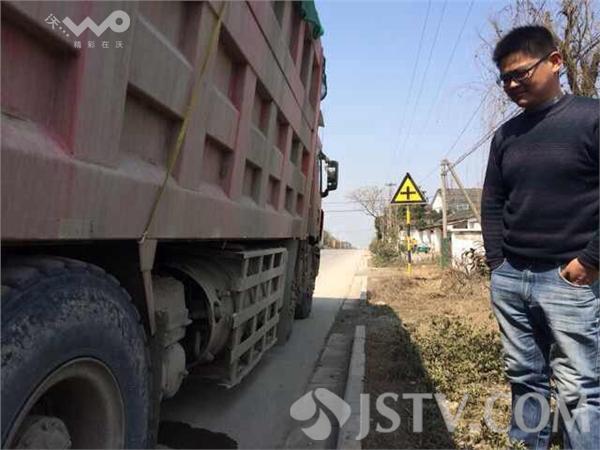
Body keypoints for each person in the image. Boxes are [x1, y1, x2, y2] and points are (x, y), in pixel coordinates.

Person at [481, 25, 599, 449]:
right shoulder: (506, 136)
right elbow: (493, 201)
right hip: (512, 277)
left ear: (555, 62)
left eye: (521, 73)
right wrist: (498, 264)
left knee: (578, 385)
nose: (512, 85)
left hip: (570, 278)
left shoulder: (591, 118)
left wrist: (590, 261)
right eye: (505, 79)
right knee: (524, 375)